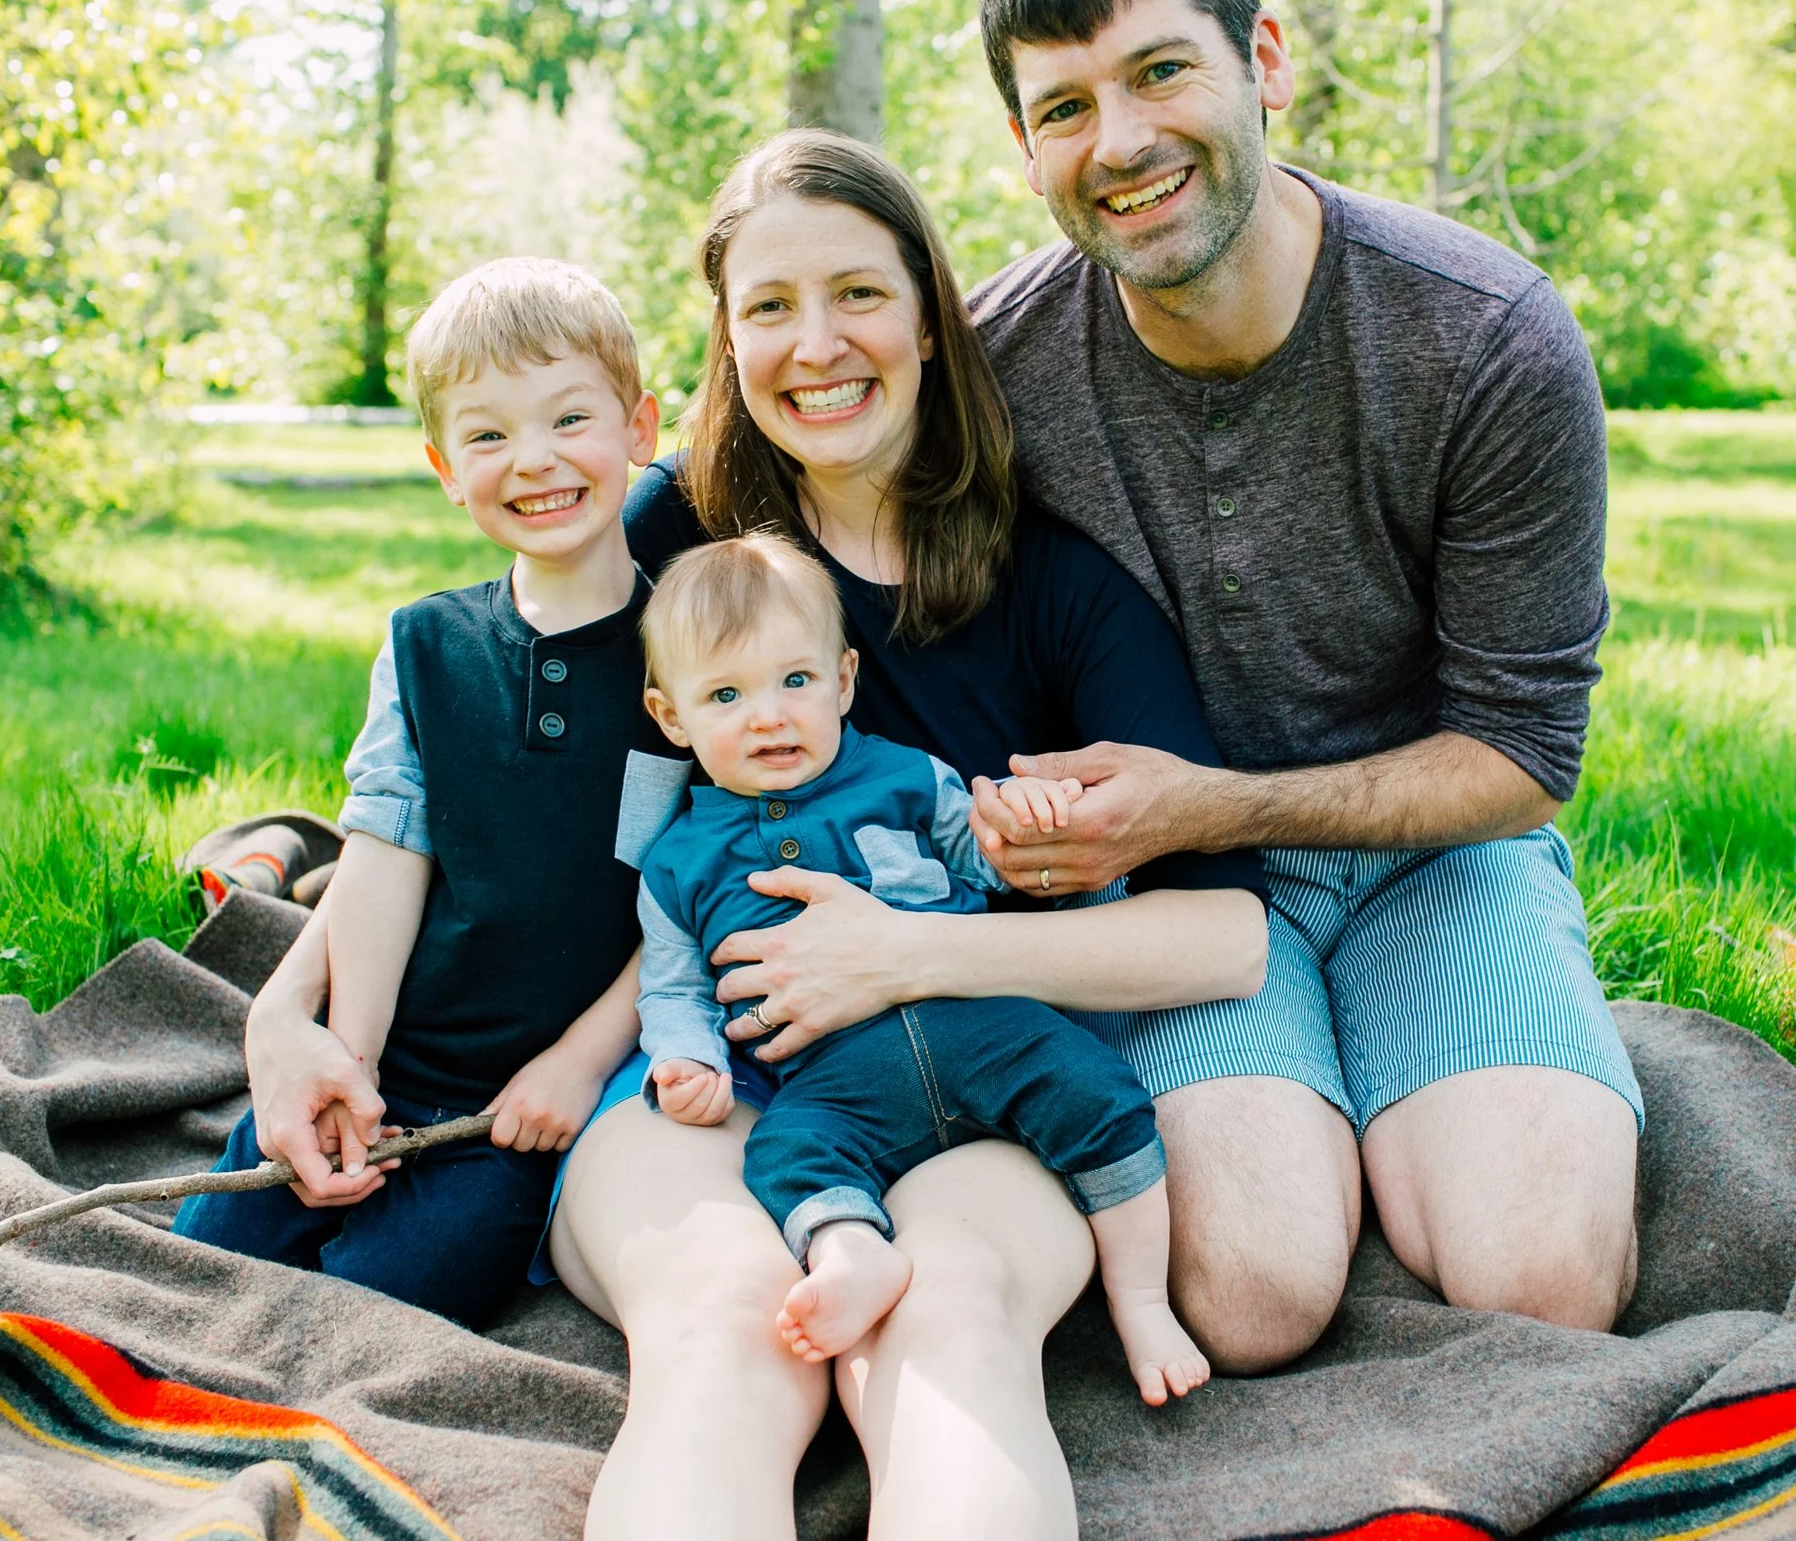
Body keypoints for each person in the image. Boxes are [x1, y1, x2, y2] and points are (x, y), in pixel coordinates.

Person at [239, 128, 1267, 1538]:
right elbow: (435, 791)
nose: (816, 343)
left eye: (858, 292)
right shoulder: (670, 541)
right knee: (730, 1317)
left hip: (961, 1066)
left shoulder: (1058, 589)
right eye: (770, 306)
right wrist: (289, 1020)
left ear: (929, 314)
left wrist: (902, 956)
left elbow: (1223, 928)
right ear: (724, 343)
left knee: (947, 1312)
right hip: (695, 1075)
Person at [954, 0, 1646, 1367]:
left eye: (1159, 71)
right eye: (1062, 107)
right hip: (1179, 891)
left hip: (1439, 856)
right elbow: (786, 471)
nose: (1121, 143)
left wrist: (1214, 797)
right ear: (1024, 152)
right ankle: (1337, 1128)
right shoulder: (996, 366)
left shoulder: (1487, 339)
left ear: (1263, 59)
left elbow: (1524, 751)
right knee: (1256, 1299)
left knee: (1548, 1283)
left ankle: (1423, 1094)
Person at [172, 258, 672, 1331]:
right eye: (488, 436)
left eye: (568, 419)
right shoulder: (424, 644)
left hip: (521, 1108)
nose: (532, 461)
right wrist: (345, 1068)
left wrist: (580, 1065)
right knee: (201, 1271)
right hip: (395, 1050)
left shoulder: (690, 647)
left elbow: (693, 886)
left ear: (640, 427)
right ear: (446, 468)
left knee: (379, 1306)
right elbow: (386, 856)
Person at [633, 533, 1208, 1405]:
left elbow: (986, 858)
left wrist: (1018, 821)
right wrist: (688, 1059)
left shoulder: (903, 776)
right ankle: (852, 1250)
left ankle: (1141, 1299)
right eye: (724, 693)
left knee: (1098, 1088)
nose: (769, 716)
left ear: (844, 679)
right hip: (832, 1077)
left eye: (796, 680)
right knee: (783, 1152)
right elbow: (672, 986)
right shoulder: (676, 861)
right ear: (671, 717)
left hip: (975, 1015)